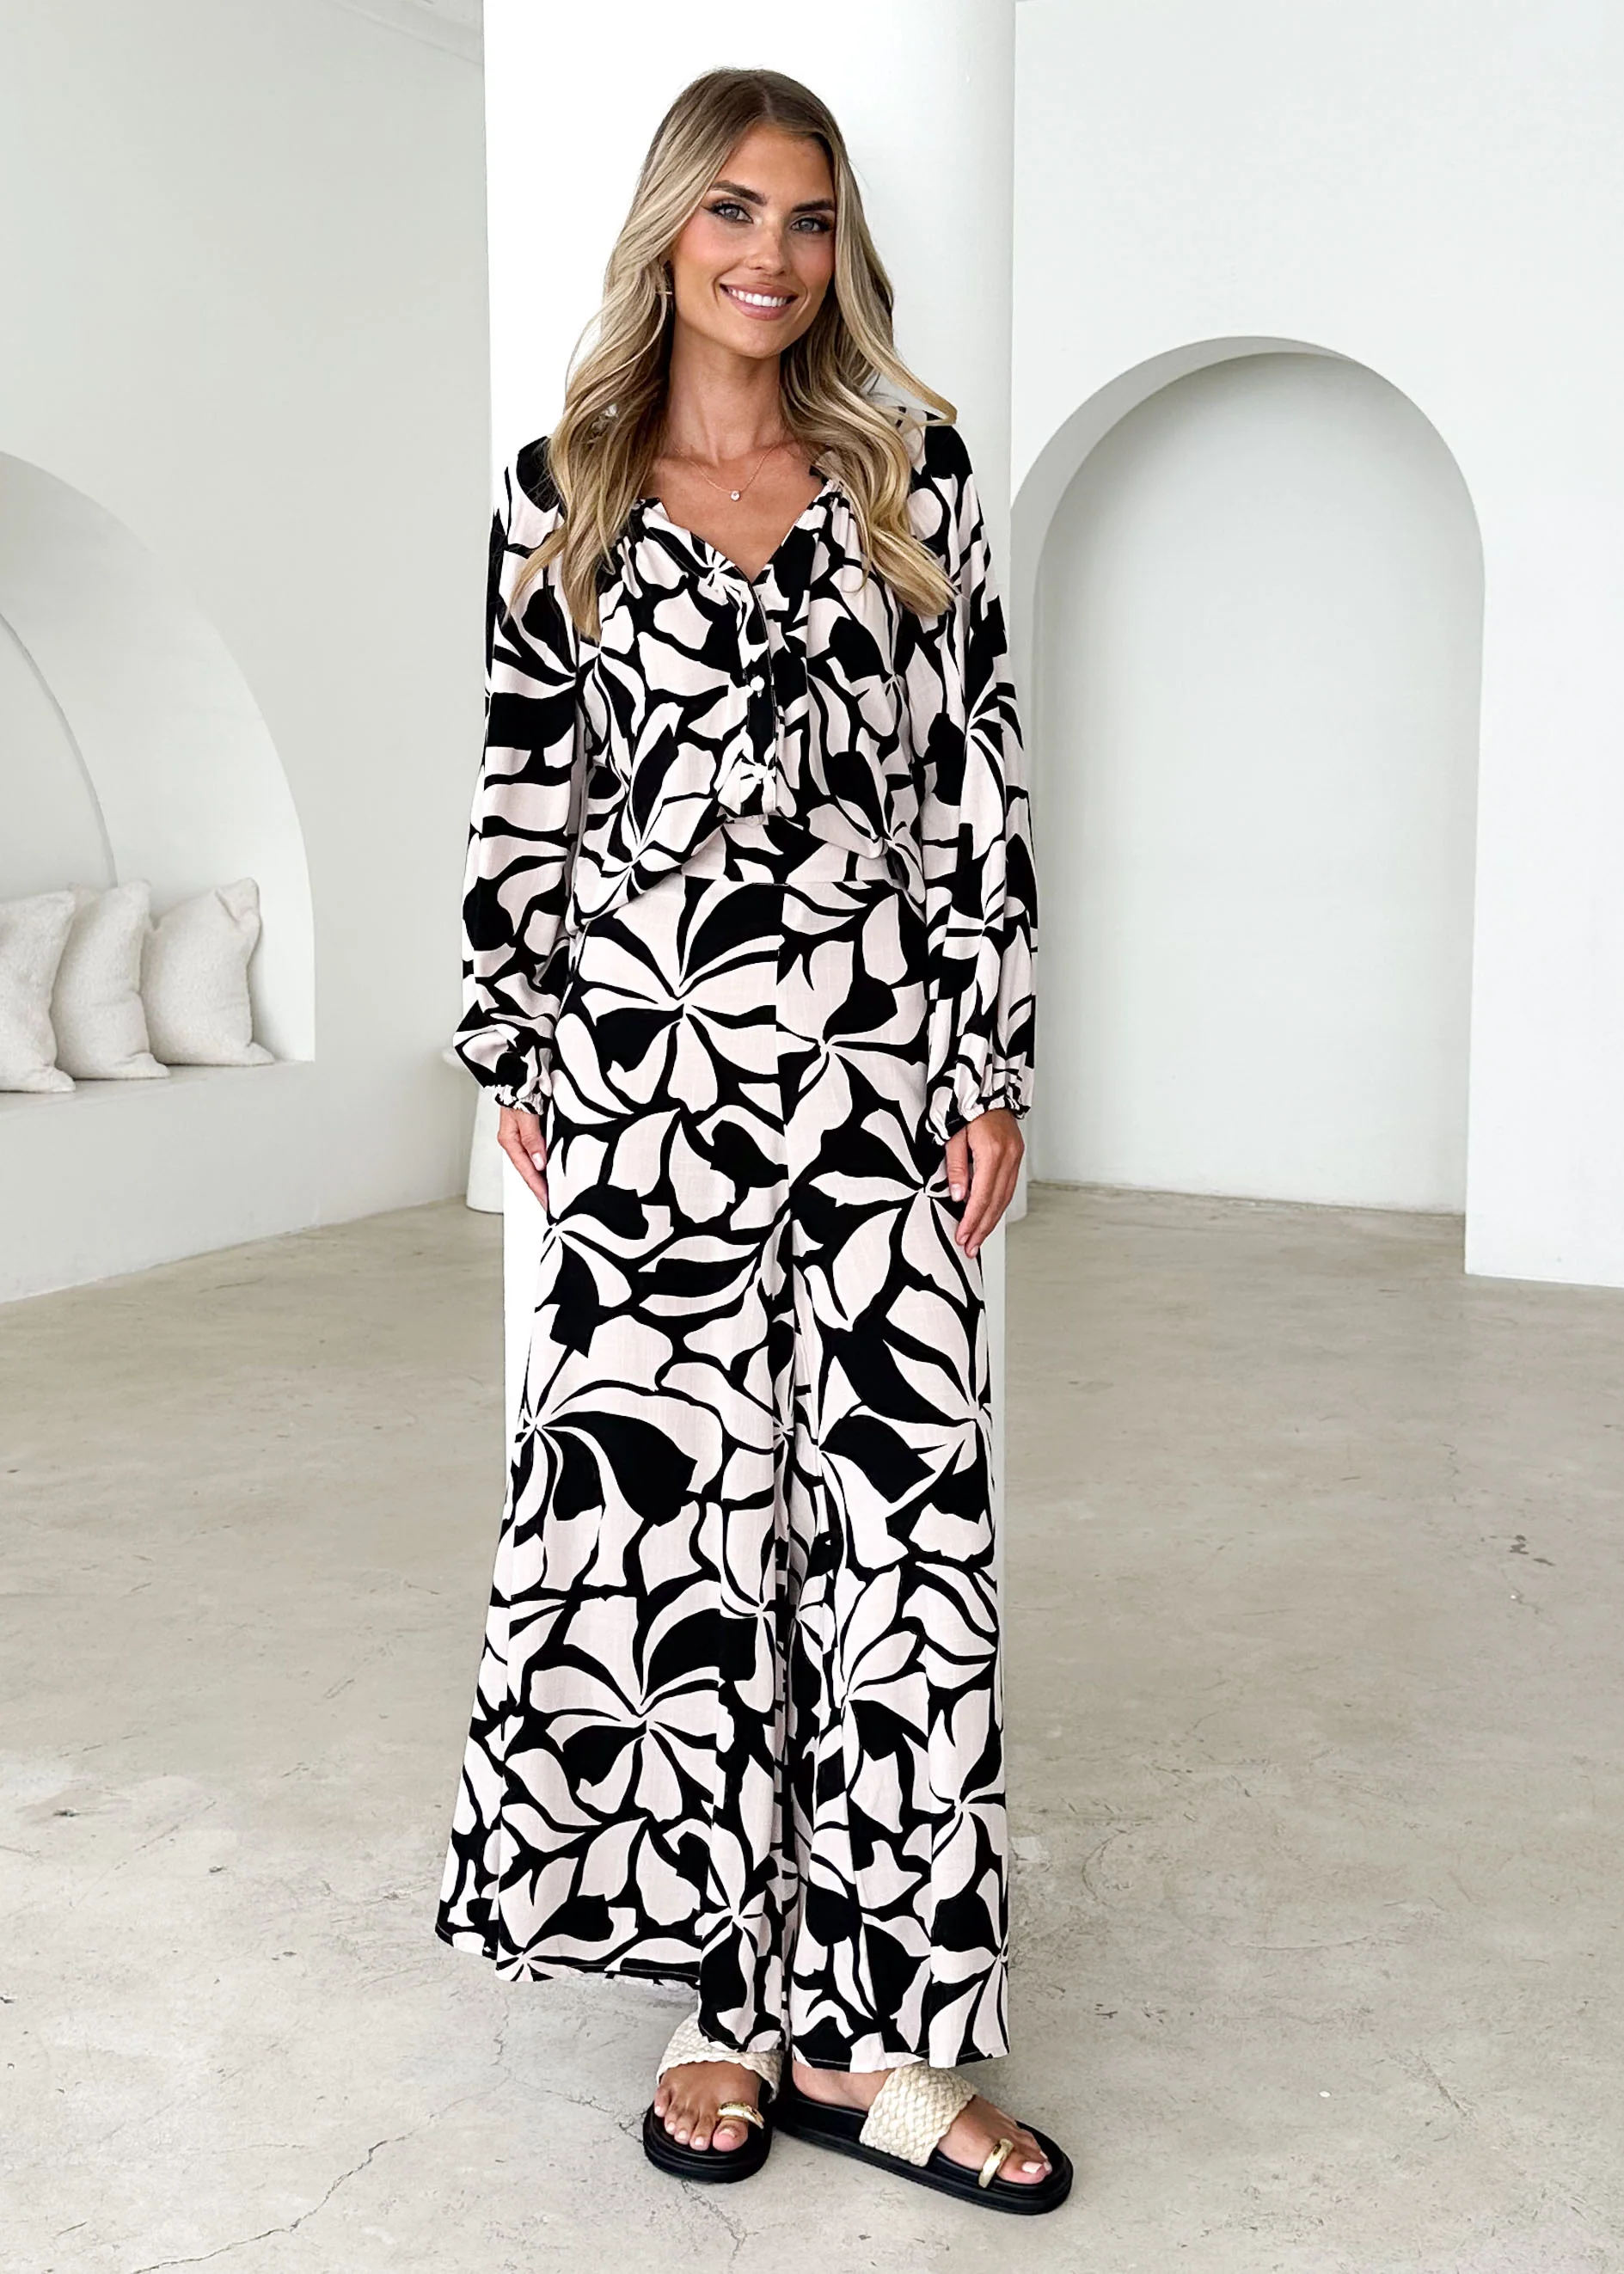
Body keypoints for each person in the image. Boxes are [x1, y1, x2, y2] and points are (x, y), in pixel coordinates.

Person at [436, 65, 1066, 2215]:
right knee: (678, 1548)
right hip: (645, 1083)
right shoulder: (559, 494)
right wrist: (511, 1047)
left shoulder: (910, 473)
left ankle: (883, 2040)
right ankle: (716, 2002)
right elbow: (523, 795)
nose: (770, 256)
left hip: (878, 1075)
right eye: (730, 210)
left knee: (900, 1554)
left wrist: (989, 1059)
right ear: (666, 229)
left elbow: (975, 780)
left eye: (805, 218)